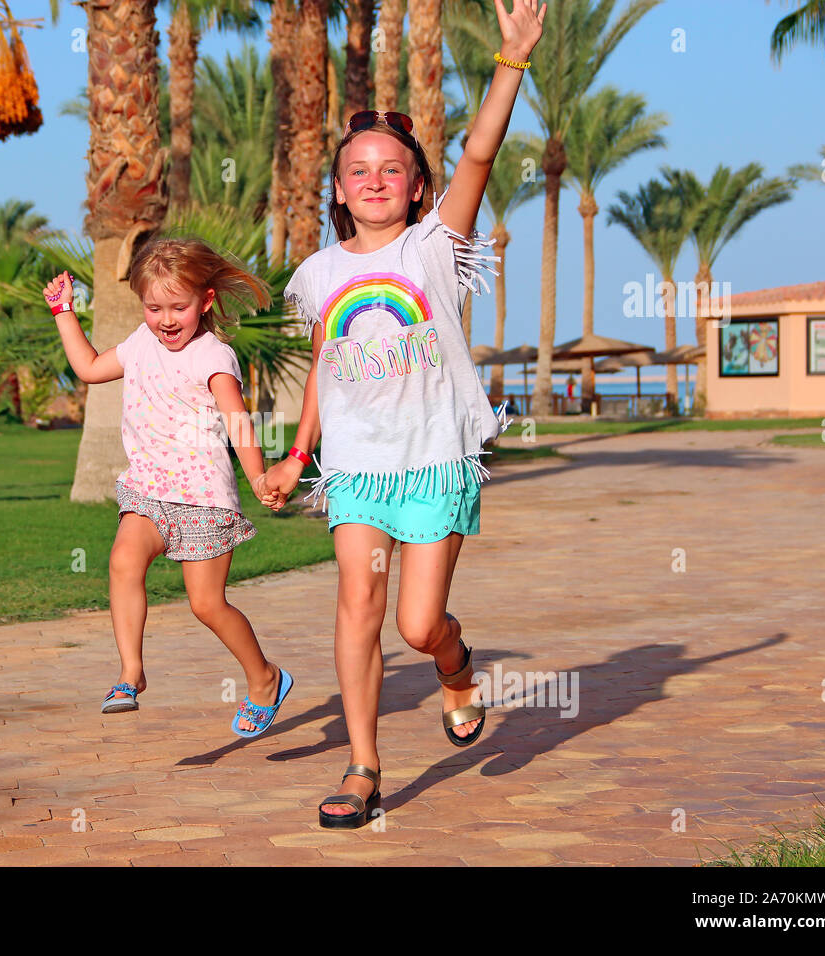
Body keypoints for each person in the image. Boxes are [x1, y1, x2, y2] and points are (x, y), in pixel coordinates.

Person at [262, 0, 545, 827]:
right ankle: (363, 767)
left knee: (418, 625)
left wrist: (510, 60)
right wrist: (295, 453)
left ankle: (455, 667)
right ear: (339, 191)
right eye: (359, 170)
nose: (376, 179)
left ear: (417, 186)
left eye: (393, 168)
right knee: (358, 604)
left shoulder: (432, 247)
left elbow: (483, 152)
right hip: (357, 467)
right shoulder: (315, 273)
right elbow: (326, 362)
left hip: (436, 458)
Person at [43, 237, 293, 739]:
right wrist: (63, 311)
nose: (166, 319)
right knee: (123, 561)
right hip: (148, 490)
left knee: (206, 604)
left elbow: (239, 424)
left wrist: (260, 477)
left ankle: (265, 678)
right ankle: (130, 675)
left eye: (179, 307)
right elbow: (91, 368)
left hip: (203, 500)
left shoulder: (213, 358)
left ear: (205, 301)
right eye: (154, 307)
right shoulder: (139, 343)